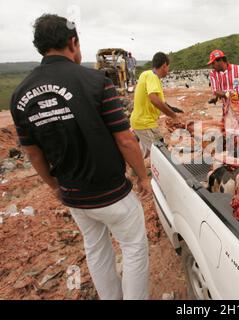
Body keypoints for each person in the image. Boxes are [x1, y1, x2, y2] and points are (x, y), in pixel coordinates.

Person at [10, 14, 150, 300]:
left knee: (96, 249)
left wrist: (53, 186)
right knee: (134, 248)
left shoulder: (20, 95)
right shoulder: (96, 81)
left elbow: (33, 152)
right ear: (73, 42)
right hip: (112, 193)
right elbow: (124, 139)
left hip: (74, 197)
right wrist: (143, 176)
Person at [130, 52, 178, 159]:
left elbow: (160, 101)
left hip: (138, 121)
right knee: (162, 154)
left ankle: (134, 173)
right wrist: (173, 116)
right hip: (145, 123)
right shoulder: (153, 77)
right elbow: (154, 99)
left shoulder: (146, 74)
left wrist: (174, 110)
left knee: (145, 152)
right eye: (168, 67)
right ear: (164, 65)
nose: (168, 70)